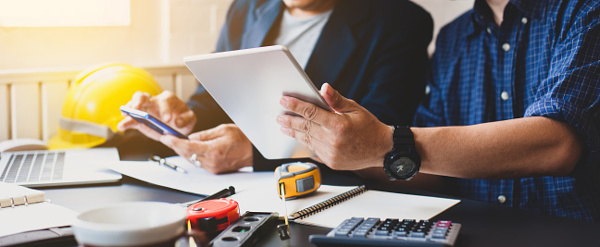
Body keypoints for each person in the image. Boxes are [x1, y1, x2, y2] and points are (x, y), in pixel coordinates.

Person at [276, 0, 600, 222]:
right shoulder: (453, 38)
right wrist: (345, 147)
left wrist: (383, 144)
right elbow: (431, 173)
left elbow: (558, 144)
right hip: (475, 232)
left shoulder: (586, 11)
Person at [118, 0, 434, 174]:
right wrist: (181, 119)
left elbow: (377, 136)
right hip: (240, 189)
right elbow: (213, 102)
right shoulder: (245, 9)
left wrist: (255, 154)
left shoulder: (400, 20)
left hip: (332, 192)